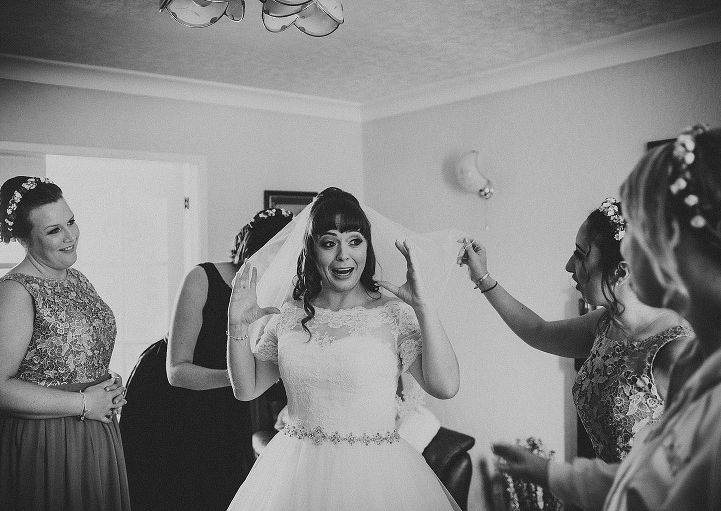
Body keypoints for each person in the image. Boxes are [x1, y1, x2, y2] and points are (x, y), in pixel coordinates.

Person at [491, 124, 721, 511]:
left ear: (673, 242)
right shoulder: (698, 363)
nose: (629, 251)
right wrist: (550, 473)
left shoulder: (681, 355)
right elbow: (647, 482)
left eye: (640, 233)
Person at [225, 187, 464, 510]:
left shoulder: (393, 313)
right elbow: (246, 389)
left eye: (354, 241)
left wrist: (423, 308)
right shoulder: (289, 313)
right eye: (329, 243)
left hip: (375, 476)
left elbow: (446, 386)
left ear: (367, 247)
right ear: (312, 250)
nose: (343, 255)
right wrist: (237, 327)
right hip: (294, 472)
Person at [458, 198, 692, 463]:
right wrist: (482, 277)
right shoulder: (604, 324)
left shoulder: (675, 348)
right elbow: (538, 331)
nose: (569, 266)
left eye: (581, 255)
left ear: (620, 271)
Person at [119, 207, 293, 511]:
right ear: (251, 249)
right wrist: (240, 376)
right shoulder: (202, 277)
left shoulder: (284, 292)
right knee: (165, 488)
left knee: (220, 487)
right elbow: (176, 371)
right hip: (168, 397)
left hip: (227, 401)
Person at [0, 176, 129, 511]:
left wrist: (107, 381)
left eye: (71, 221)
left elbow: (76, 354)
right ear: (24, 238)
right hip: (44, 439)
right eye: (54, 230)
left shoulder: (77, 278)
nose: (70, 236)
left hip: (95, 431)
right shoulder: (13, 293)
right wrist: (84, 403)